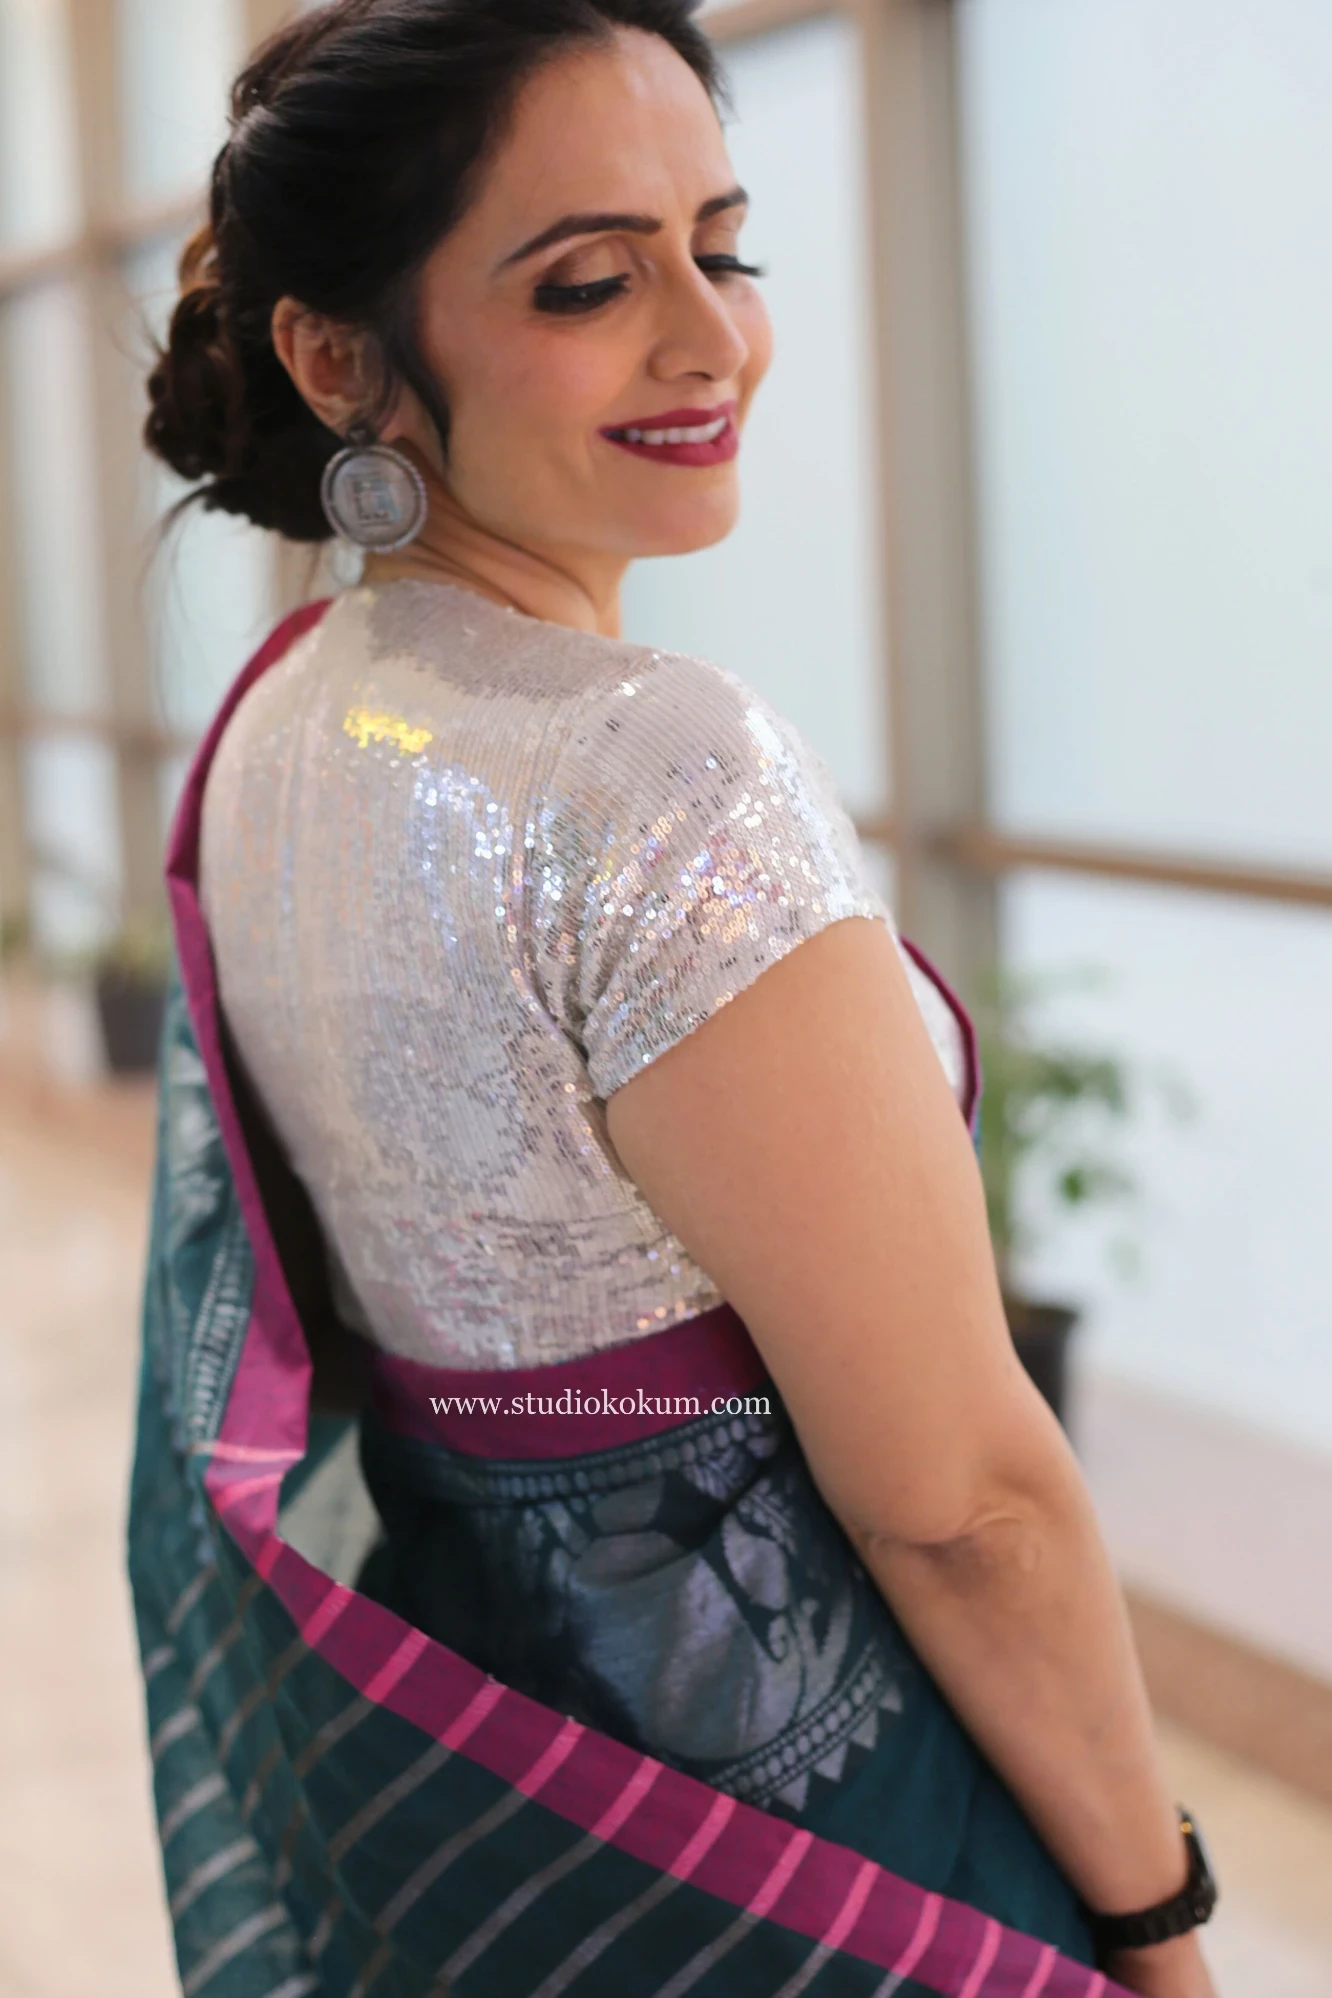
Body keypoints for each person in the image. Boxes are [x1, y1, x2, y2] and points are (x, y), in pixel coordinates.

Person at [130, 3, 1219, 1994]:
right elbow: (965, 1508)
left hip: (492, 1797)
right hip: (802, 1844)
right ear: (341, 357)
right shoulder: (655, 769)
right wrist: (1156, 1920)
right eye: (589, 281)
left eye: (725, 247)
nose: (713, 339)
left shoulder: (283, 720)